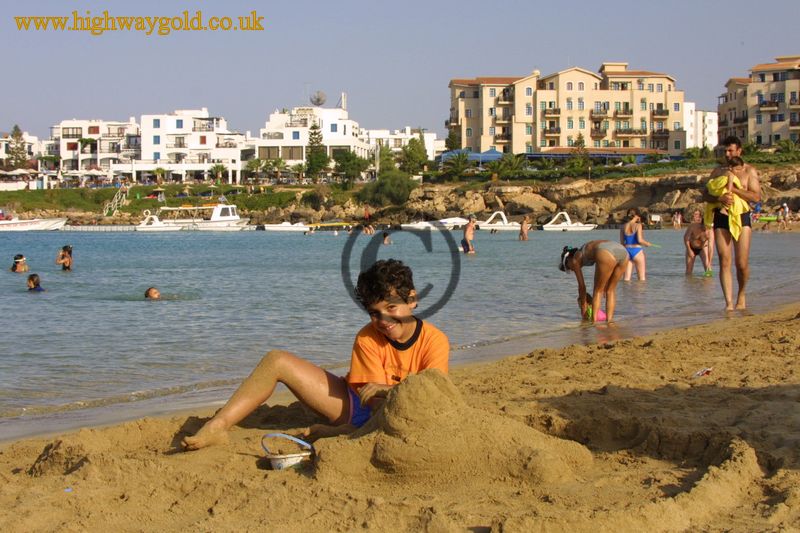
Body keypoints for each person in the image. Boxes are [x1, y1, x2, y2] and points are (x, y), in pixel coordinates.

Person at [182, 259, 450, 450]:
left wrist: (386, 388)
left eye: (392, 307)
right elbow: (370, 398)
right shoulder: (368, 336)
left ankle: (344, 433)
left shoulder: (435, 340)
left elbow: (434, 395)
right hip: (357, 406)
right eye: (374, 313)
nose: (383, 319)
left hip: (397, 417)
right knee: (276, 360)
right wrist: (385, 390)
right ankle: (218, 426)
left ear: (412, 300)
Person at [704, 137, 761, 310]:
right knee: (724, 259)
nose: (727, 154)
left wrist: (734, 189)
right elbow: (704, 195)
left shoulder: (749, 171)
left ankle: (741, 295)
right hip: (721, 216)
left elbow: (756, 197)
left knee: (741, 263)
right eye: (724, 151)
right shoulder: (717, 172)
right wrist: (719, 197)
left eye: (730, 150)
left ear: (739, 151)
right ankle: (728, 302)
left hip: (742, 216)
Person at [559, 240, 628, 324]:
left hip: (605, 251)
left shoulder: (574, 260)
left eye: (568, 268)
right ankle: (610, 322)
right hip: (623, 252)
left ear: (568, 259)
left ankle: (594, 323)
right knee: (610, 290)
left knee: (597, 291)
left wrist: (583, 308)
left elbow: (582, 287)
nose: (572, 270)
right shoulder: (584, 249)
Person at [620, 208, 652, 281]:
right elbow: (640, 240)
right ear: (637, 216)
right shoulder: (638, 226)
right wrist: (647, 243)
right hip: (637, 251)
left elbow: (622, 243)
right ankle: (640, 293)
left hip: (626, 251)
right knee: (641, 279)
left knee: (626, 279)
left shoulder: (622, 227)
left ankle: (626, 292)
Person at [683, 209, 712, 276]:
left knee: (708, 268)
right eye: (705, 226)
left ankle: (708, 284)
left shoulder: (709, 231)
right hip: (691, 247)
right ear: (702, 223)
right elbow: (685, 238)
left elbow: (710, 247)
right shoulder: (693, 226)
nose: (706, 228)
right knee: (689, 270)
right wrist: (689, 250)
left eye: (708, 226)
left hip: (703, 248)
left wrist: (710, 261)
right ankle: (689, 284)